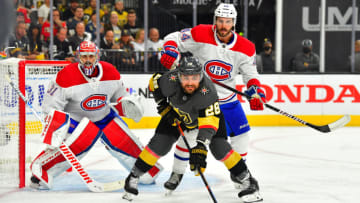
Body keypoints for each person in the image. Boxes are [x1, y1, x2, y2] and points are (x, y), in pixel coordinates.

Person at [122, 56, 262, 203]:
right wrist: (162, 103)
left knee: (220, 148)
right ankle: (133, 176)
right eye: (185, 78)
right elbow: (155, 81)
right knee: (159, 145)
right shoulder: (171, 79)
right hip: (177, 114)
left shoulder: (208, 93)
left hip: (208, 119)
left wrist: (200, 146)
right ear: (178, 75)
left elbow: (208, 125)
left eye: (194, 78)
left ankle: (248, 180)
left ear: (201, 76)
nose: (190, 83)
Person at [159, 3, 266, 193]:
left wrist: (255, 91)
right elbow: (173, 38)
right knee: (187, 138)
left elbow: (251, 76)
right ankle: (176, 173)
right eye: (220, 21)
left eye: (228, 22)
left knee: (242, 136)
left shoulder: (246, 47)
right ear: (215, 21)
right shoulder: (201, 34)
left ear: (234, 23)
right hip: (199, 98)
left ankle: (238, 173)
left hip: (228, 101)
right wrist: (170, 50)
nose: (223, 25)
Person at [29, 41, 163, 190]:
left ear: (97, 56)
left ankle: (146, 169)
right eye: (84, 56)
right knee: (72, 147)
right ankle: (41, 172)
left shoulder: (110, 71)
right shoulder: (65, 75)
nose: (87, 60)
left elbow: (119, 98)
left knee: (146, 173)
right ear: (78, 57)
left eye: (91, 56)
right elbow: (51, 107)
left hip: (105, 118)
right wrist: (57, 128)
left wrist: (127, 104)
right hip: (77, 123)